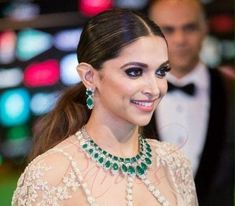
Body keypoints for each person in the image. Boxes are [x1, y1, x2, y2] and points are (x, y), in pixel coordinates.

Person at [12, 8, 198, 206]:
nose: (154, 89)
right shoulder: (49, 176)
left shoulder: (174, 164)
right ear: (89, 77)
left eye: (161, 71)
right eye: (135, 72)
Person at [148, 0, 234, 205]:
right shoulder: (127, 97)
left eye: (190, 28)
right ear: (150, 35)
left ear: (205, 27)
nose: (180, 39)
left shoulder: (232, 92)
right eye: (168, 30)